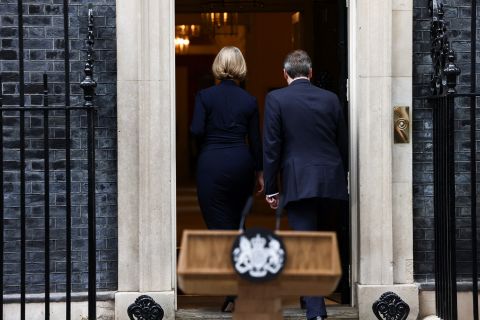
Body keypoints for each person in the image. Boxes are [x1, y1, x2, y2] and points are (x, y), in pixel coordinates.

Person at [263, 50, 348, 320]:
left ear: (285, 74)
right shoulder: (331, 98)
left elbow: (272, 147)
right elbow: (342, 142)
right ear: (310, 73)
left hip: (299, 182)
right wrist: (342, 175)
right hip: (330, 181)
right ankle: (308, 297)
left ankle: (316, 312)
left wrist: (271, 188)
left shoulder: (276, 98)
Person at [190, 46, 264, 312]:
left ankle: (232, 289)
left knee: (218, 227)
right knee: (238, 224)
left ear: (218, 66)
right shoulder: (249, 100)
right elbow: (256, 142)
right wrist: (260, 173)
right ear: (241, 67)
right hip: (241, 163)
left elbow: (196, 129)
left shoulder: (205, 96)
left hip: (212, 162)